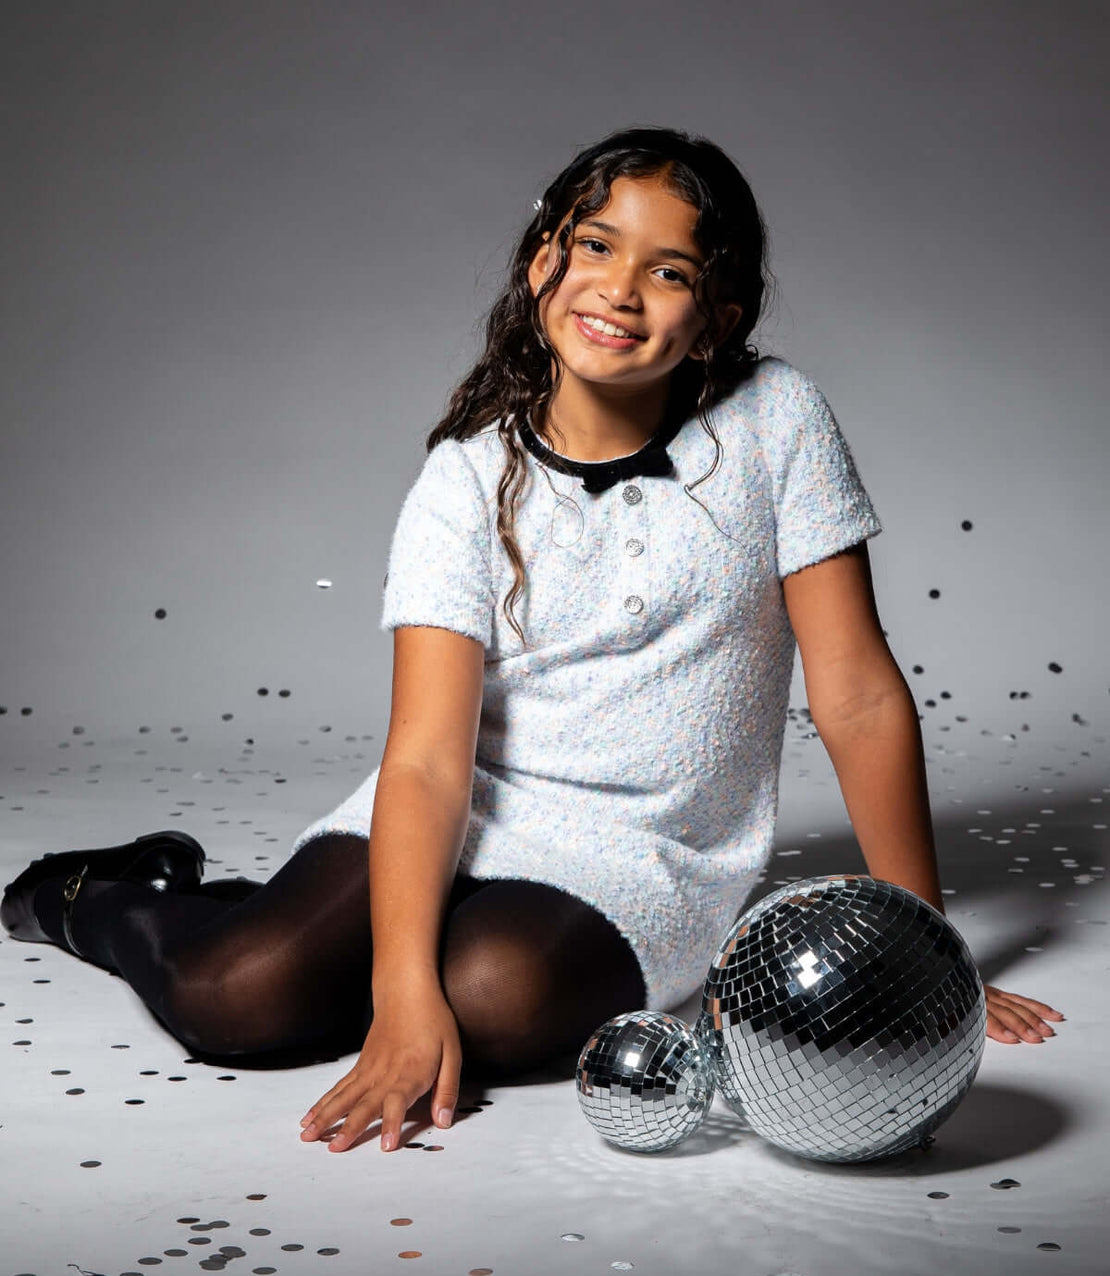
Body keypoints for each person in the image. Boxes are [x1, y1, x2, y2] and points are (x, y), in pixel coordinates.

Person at [2, 127, 1063, 1157]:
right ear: (541, 258)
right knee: (235, 995)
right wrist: (398, 995)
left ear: (716, 319)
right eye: (595, 245)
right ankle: (100, 895)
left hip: (649, 852)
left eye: (670, 271)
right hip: (468, 803)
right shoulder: (465, 479)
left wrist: (917, 949)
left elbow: (858, 695)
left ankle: (323, 938)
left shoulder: (776, 419)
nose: (620, 289)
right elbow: (427, 759)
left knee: (492, 993)